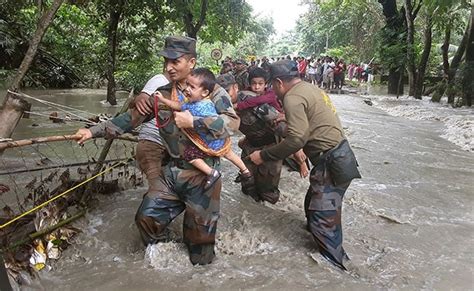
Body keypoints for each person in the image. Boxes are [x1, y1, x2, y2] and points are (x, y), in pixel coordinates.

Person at [76, 36, 244, 265]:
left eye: (175, 61)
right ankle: (169, 260)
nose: (168, 67)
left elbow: (232, 125)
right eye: (166, 61)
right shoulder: (163, 94)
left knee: (200, 248)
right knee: (146, 218)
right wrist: (93, 131)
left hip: (202, 176)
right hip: (172, 172)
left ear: (191, 62)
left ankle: (198, 270)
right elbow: (131, 119)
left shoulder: (212, 92)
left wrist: (194, 121)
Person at [249, 60, 360, 270]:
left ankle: (341, 271)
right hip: (340, 155)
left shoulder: (292, 97)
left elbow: (296, 141)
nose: (273, 90)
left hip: (332, 161)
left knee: (321, 218)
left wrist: (264, 155)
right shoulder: (310, 88)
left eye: (272, 85)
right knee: (312, 206)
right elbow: (311, 122)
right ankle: (317, 266)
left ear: (279, 82)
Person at [217, 70, 308, 204]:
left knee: (268, 195)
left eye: (226, 91)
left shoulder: (253, 102)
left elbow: (283, 128)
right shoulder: (221, 105)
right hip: (250, 147)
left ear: (235, 88)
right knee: (247, 189)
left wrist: (298, 153)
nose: (223, 96)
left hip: (270, 148)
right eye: (219, 93)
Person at [155, 67, 251, 189]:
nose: (187, 90)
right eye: (187, 85)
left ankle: (211, 173)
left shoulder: (198, 106)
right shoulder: (201, 100)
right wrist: (163, 99)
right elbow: (179, 105)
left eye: (192, 87)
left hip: (208, 142)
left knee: (189, 155)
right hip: (220, 141)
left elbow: (230, 122)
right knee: (229, 154)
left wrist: (192, 122)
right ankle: (245, 170)